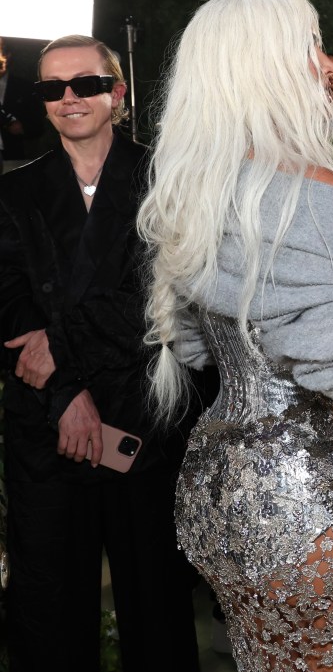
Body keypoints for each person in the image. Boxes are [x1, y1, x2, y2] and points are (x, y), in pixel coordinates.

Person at [137, 0, 333, 672]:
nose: (323, 65)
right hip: (318, 491)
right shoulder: (311, 185)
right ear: (264, 68)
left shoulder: (196, 190)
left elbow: (196, 345)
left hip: (220, 488)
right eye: (307, 47)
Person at [0, 35, 199, 672]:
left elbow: (163, 294)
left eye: (84, 84)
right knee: (49, 610)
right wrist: (65, 396)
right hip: (46, 426)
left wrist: (62, 345)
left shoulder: (168, 178)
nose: (69, 99)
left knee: (157, 605)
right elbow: (7, 305)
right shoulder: (15, 190)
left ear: (116, 92)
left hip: (142, 418)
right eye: (51, 89)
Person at [0, 36, 45, 172]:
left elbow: (38, 125)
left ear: (7, 56)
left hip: (13, 159)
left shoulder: (24, 87)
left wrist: (23, 128)